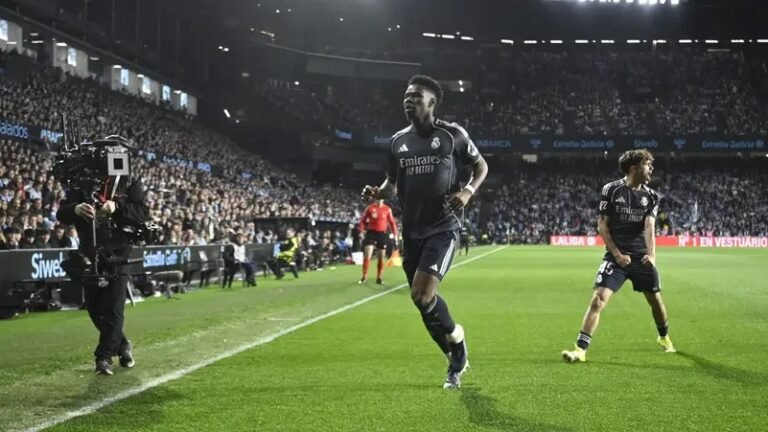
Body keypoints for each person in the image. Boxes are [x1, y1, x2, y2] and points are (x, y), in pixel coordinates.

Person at [361, 75, 488, 389]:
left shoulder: (452, 134)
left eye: (416, 95)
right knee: (422, 304)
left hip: (443, 227)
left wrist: (468, 191)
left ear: (432, 102)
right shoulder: (397, 142)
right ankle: (454, 356)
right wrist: (377, 193)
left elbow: (481, 166)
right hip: (412, 231)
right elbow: (392, 185)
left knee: (422, 294)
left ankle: (457, 343)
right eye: (407, 95)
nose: (409, 99)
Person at [561, 149, 675, 363]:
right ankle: (580, 350)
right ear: (634, 168)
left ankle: (663, 337)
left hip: (641, 258)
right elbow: (602, 225)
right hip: (616, 257)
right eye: (648, 165)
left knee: (655, 301)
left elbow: (649, 226)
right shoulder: (611, 190)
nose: (652, 169)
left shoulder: (651, 196)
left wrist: (652, 256)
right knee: (598, 299)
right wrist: (617, 254)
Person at [57, 168, 149, 376]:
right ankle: (123, 344)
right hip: (91, 252)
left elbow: (143, 213)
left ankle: (103, 357)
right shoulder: (81, 182)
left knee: (113, 306)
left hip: (119, 253)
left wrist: (117, 207)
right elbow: (61, 213)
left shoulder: (128, 182)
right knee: (94, 308)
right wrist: (75, 209)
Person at [358, 199, 398, 285]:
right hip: (371, 233)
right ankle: (364, 276)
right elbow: (363, 220)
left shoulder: (387, 209)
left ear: (383, 199)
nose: (379, 199)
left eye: (381, 198)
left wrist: (395, 233)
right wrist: (361, 231)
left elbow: (392, 222)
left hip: (382, 234)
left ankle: (379, 278)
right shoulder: (370, 208)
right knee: (367, 254)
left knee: (381, 257)